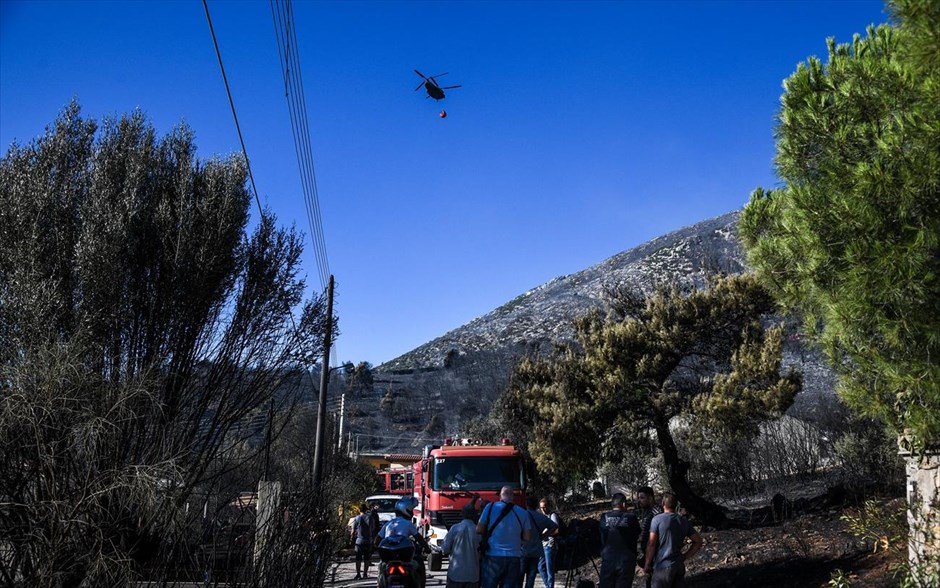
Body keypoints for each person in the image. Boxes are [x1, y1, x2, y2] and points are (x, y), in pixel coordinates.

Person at [476, 485, 532, 588]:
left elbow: (479, 530)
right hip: (514, 557)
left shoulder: (490, 507)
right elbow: (527, 537)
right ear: (513, 497)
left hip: (493, 556)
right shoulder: (523, 513)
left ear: (500, 496)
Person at [643, 492, 703, 588]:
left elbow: (651, 544)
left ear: (663, 504)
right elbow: (698, 541)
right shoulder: (683, 521)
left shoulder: (657, 520)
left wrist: (647, 564)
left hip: (662, 567)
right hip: (678, 566)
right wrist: (685, 556)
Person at [378, 497, 430, 585]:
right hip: (404, 558)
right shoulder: (408, 524)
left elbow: (377, 540)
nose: (412, 513)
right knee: (418, 565)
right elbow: (419, 538)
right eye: (411, 510)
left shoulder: (388, 524)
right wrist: (427, 548)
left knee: (381, 570)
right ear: (406, 510)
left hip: (388, 559)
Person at [598, 492, 641, 588]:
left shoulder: (604, 517)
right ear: (624, 504)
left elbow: (601, 535)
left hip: (608, 560)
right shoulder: (631, 517)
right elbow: (637, 534)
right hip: (626, 561)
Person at [441, 501, 482, 588]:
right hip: (473, 574)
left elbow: (445, 549)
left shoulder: (455, 528)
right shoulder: (478, 531)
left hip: (455, 573)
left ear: (462, 514)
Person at [521, 496, 558, 588]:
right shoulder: (541, 517)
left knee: (520, 576)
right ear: (536, 505)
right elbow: (554, 527)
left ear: (527, 504)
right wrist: (543, 535)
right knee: (531, 577)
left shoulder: (521, 515)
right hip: (536, 550)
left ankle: (549, 586)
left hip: (523, 550)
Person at [635, 487, 661, 588]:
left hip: (655, 555)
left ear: (650, 498)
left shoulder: (657, 512)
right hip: (645, 555)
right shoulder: (645, 511)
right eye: (638, 498)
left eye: (642, 498)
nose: (639, 500)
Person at [537, 497, 562, 588]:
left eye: (545, 507)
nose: (543, 509)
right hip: (543, 545)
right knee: (540, 567)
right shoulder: (542, 516)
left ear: (548, 506)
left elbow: (557, 530)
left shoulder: (553, 515)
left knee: (549, 569)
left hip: (551, 545)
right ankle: (548, 586)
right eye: (541, 508)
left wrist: (546, 534)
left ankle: (550, 586)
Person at [350, 503, 375, 579]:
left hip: (359, 541)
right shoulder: (370, 518)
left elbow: (353, 531)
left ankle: (358, 574)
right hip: (368, 540)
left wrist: (351, 539)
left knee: (358, 558)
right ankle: (365, 574)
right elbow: (373, 528)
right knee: (367, 558)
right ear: (366, 509)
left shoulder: (357, 518)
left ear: (359, 510)